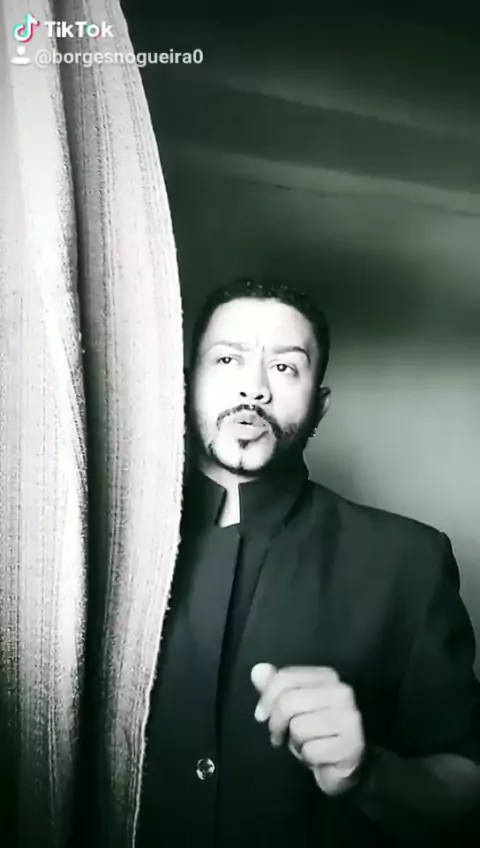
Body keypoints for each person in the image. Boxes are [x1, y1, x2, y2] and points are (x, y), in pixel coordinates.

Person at [137, 277, 480, 847]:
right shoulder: (94, 554)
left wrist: (368, 772)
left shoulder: (410, 562)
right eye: (228, 359)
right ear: (186, 382)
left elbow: (467, 784)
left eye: (285, 367)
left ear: (319, 406)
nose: (254, 389)